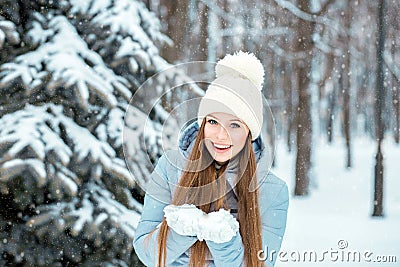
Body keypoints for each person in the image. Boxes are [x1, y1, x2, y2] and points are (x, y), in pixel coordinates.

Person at [133, 51, 289, 267]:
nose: (221, 136)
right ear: (203, 123)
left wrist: (223, 238)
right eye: (213, 122)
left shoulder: (273, 191)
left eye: (234, 125)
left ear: (249, 132)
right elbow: (147, 254)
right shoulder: (170, 168)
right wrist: (182, 229)